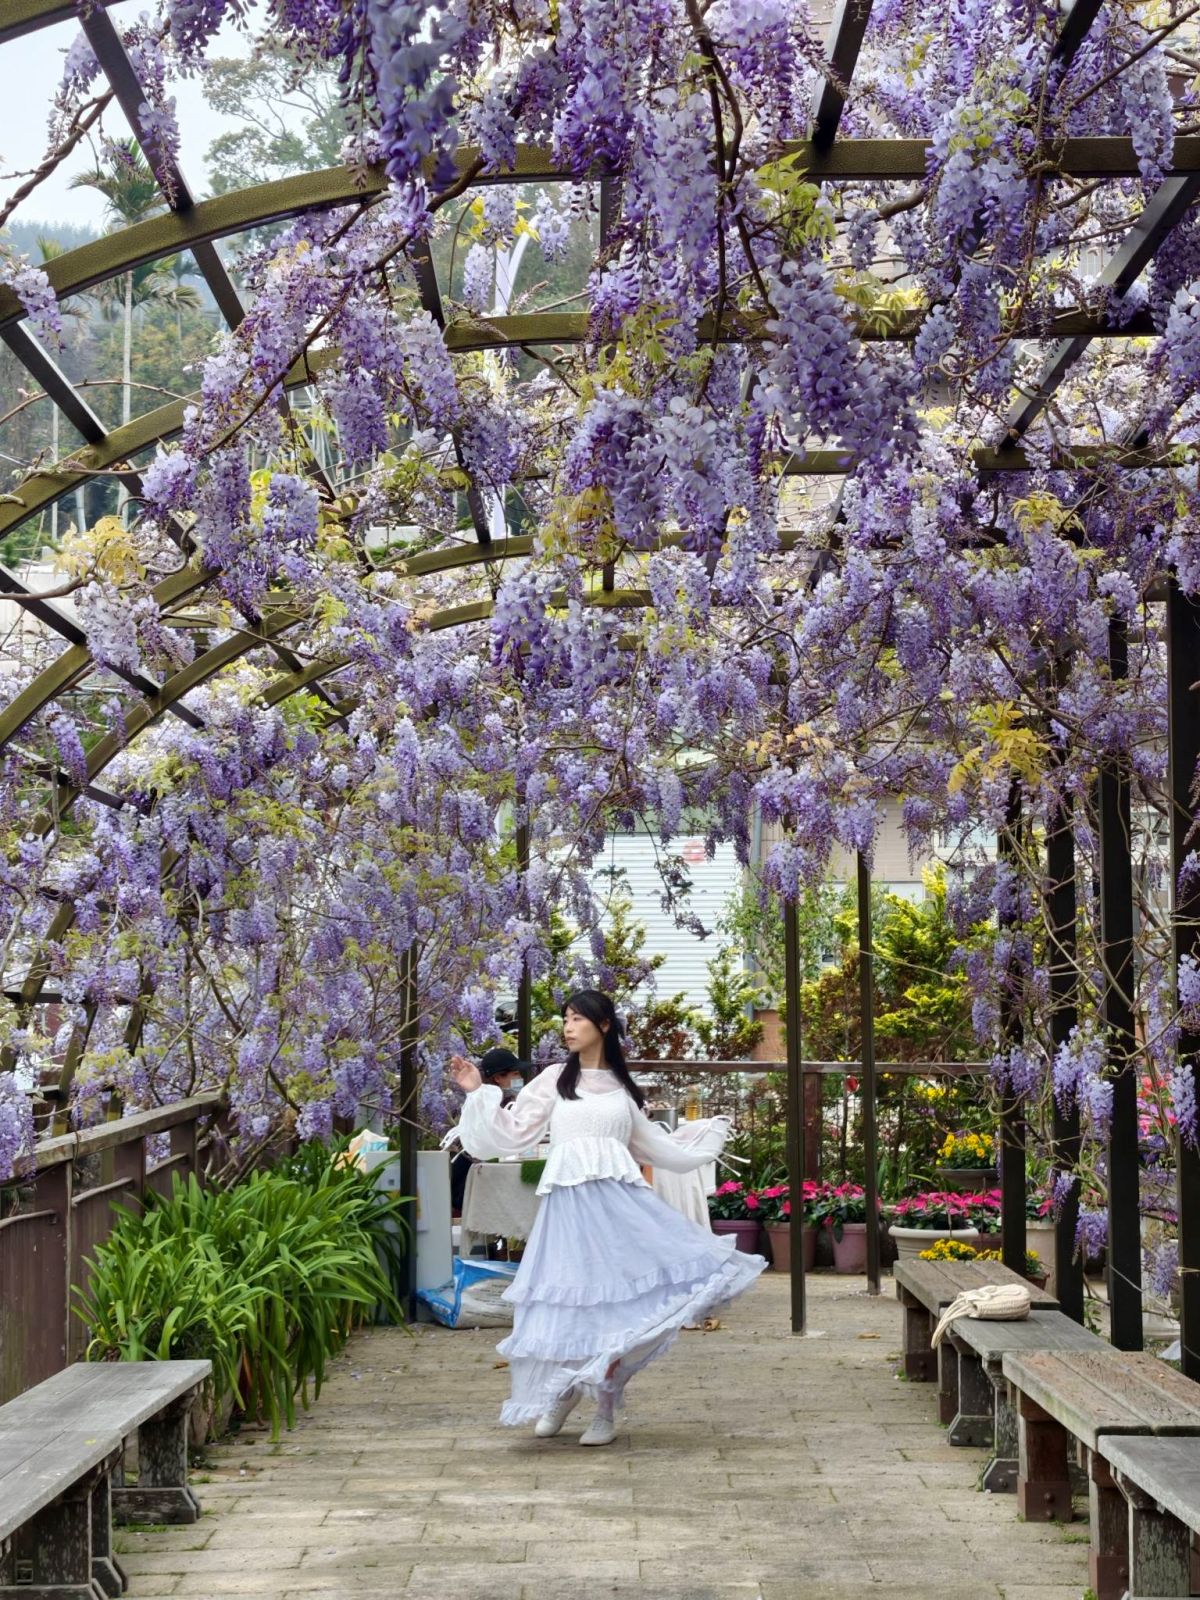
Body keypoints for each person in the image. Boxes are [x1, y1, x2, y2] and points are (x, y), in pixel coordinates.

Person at [443, 989, 766, 1446]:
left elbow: (656, 1147)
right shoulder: (556, 1078)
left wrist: (705, 1135)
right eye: (565, 1019)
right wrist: (479, 1092)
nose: (568, 1027)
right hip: (567, 1213)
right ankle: (565, 1391)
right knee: (569, 1302)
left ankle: (606, 1405)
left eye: (577, 1019)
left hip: (618, 1212)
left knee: (616, 1309)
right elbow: (510, 1134)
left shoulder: (621, 1087)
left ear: (605, 1026)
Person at [449, 1048, 530, 1216]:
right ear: (499, 1077)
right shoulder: (490, 1105)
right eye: (515, 1074)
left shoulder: (506, 1100)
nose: (520, 1079)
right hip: (471, 1187)